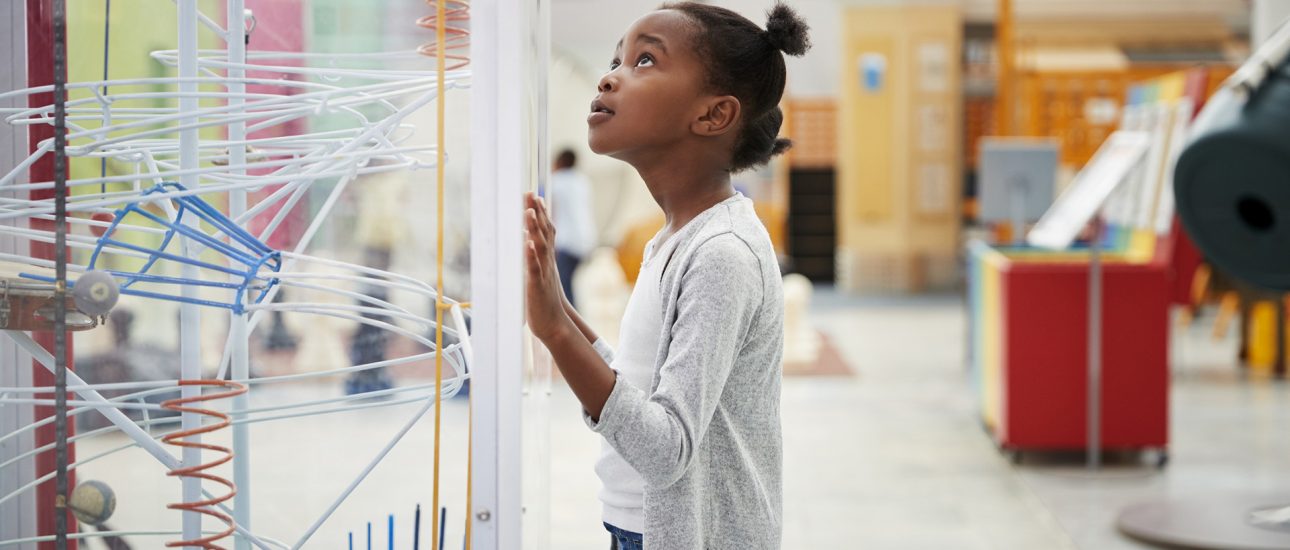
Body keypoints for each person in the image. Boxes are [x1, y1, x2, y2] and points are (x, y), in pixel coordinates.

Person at [523, 3, 808, 549]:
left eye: (645, 60)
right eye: (616, 59)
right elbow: (640, 386)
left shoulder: (722, 254)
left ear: (713, 116)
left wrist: (556, 334)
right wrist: (555, 308)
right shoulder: (677, 237)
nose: (610, 76)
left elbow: (665, 448)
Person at [550, 148, 598, 308]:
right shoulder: (582, 181)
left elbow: (550, 211)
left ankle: (572, 320)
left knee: (563, 286)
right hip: (586, 239)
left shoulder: (557, 181)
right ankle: (574, 317)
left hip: (566, 242)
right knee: (568, 283)